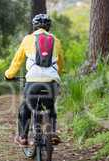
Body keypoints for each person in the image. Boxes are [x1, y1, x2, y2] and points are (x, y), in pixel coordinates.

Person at [4, 14, 64, 146]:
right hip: (52, 82)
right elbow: (61, 64)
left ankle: (23, 137)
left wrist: (9, 75)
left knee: (26, 107)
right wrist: (57, 74)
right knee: (50, 107)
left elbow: (17, 61)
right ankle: (52, 132)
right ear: (48, 27)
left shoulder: (28, 39)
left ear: (34, 26)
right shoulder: (56, 40)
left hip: (33, 82)